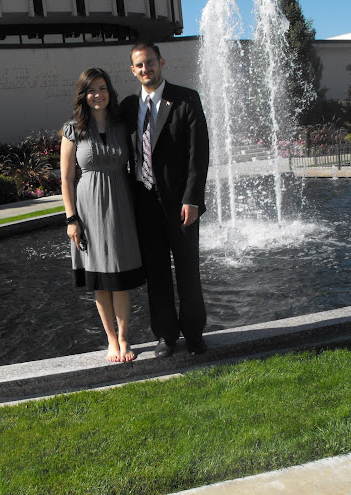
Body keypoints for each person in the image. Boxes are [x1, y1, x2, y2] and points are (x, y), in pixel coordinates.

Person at [120, 41, 210, 358]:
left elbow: (198, 155)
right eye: (140, 65)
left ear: (162, 62)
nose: (146, 69)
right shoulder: (130, 108)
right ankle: (166, 337)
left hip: (181, 205)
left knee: (188, 271)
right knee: (157, 274)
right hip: (145, 206)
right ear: (133, 70)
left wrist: (193, 199)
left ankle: (195, 334)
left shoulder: (186, 100)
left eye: (150, 63)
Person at [60, 68, 145, 363]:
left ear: (110, 91)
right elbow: (67, 179)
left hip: (121, 204)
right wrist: (72, 219)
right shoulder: (73, 130)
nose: (98, 94)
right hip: (88, 208)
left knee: (120, 275)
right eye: (92, 90)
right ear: (83, 95)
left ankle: (124, 338)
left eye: (103, 87)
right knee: (99, 278)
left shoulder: (122, 124)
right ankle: (110, 340)